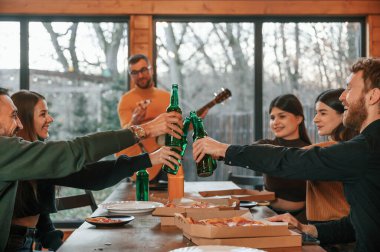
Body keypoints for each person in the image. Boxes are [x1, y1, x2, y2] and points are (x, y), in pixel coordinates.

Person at [192, 58, 380, 251]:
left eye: (349, 89)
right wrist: (307, 228)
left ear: (373, 95)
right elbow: (362, 222)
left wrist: (225, 149)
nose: (342, 96)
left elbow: (291, 160)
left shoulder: (366, 149)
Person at [0, 88, 182, 251]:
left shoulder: (35, 160)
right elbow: (77, 150)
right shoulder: (9, 153)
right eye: (43, 114)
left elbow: (90, 176)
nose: (50, 119)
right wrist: (144, 130)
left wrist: (150, 158)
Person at [117, 54, 172, 182]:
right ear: (130, 75)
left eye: (143, 70)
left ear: (151, 69)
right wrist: (135, 121)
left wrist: (196, 121)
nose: (140, 76)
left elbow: (178, 128)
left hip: (166, 159)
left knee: (174, 199)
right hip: (138, 162)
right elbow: (124, 134)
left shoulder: (167, 97)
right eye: (134, 72)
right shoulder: (125, 100)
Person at [306, 88, 358, 223]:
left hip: (341, 234)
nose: (315, 119)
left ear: (344, 114)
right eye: (316, 113)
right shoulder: (326, 148)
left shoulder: (335, 150)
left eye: (323, 113)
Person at [256, 94, 311, 219]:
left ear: (298, 119)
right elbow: (246, 153)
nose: (275, 122)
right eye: (272, 117)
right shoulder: (265, 145)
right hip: (266, 213)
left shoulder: (309, 150)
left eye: (282, 116)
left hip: (300, 218)